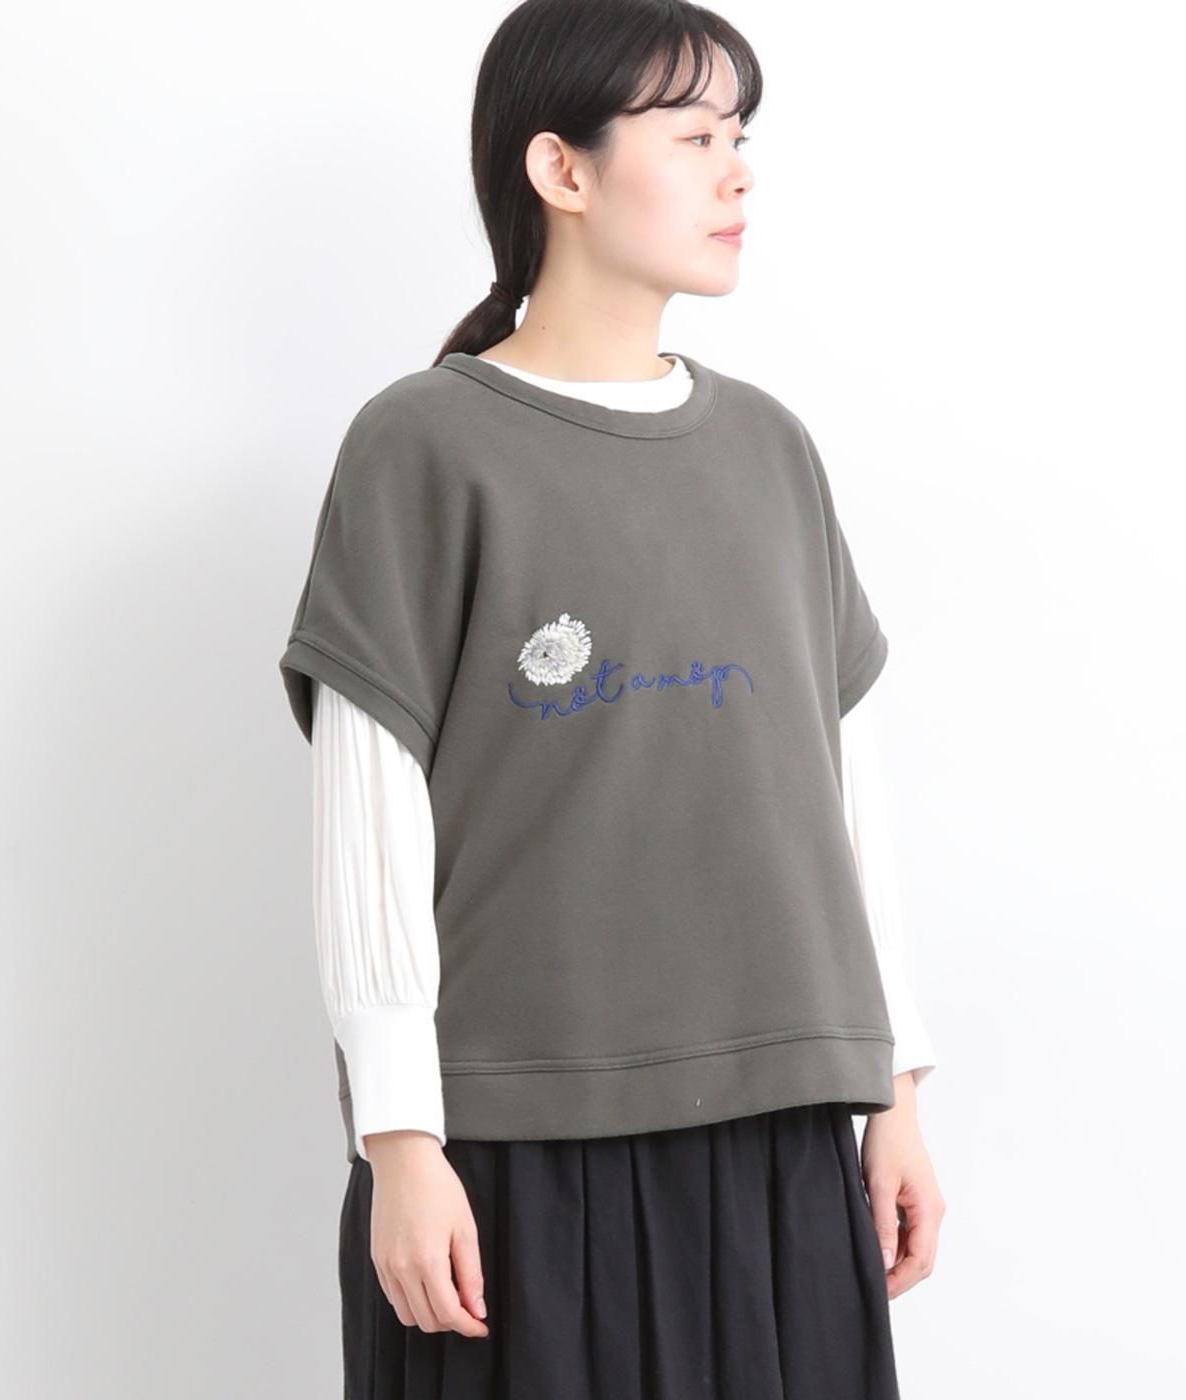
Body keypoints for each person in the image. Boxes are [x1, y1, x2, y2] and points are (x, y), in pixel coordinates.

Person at [279, 2, 946, 1395]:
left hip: (783, 1136)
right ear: (561, 170)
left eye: (740, 137)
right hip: (512, 1152)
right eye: (694, 137)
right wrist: (399, 1140)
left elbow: (843, 795)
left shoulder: (770, 450)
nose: (738, 172)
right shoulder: (424, 445)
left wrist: (894, 1088)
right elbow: (369, 810)